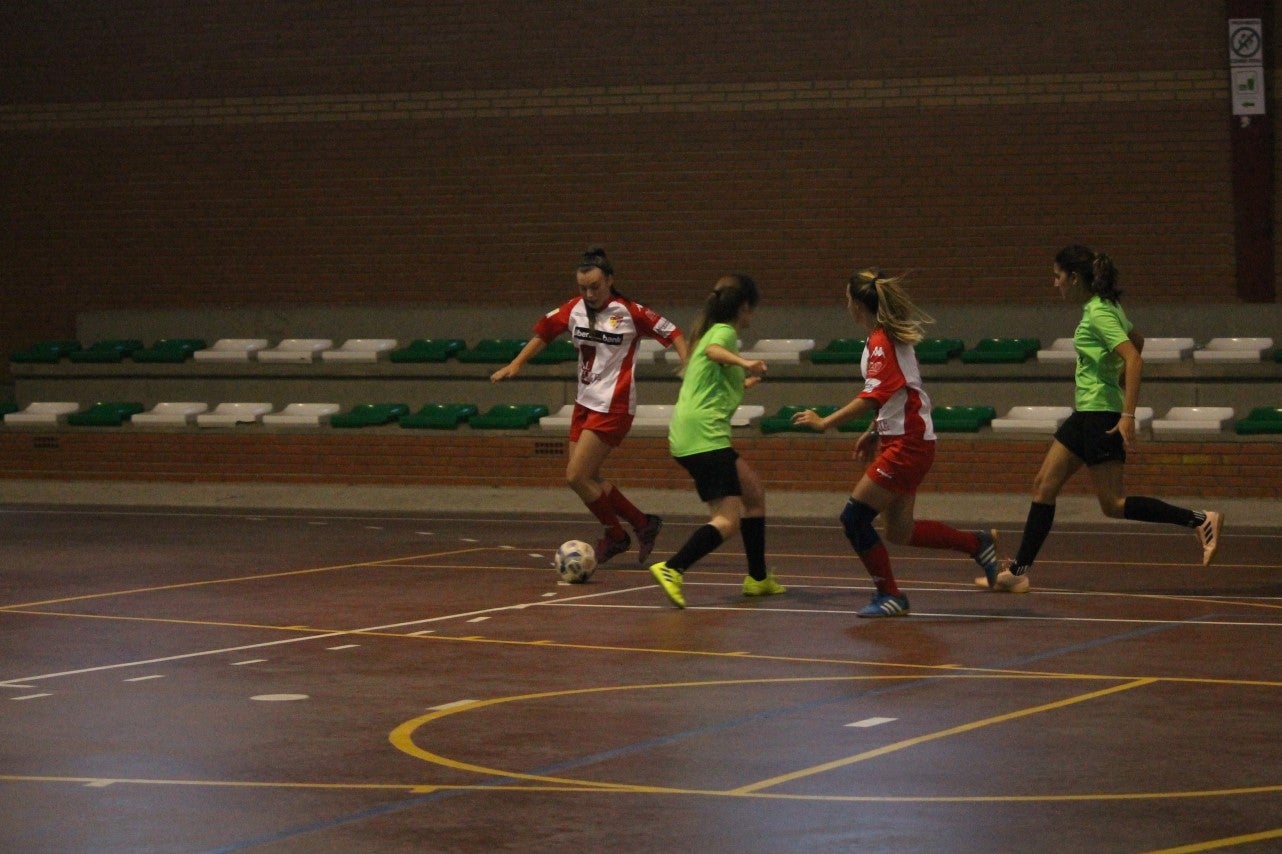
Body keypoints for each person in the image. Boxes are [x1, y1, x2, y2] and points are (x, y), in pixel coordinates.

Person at [983, 245, 1223, 593]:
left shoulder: (1099, 313)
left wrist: (1126, 412)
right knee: (1043, 485)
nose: (1055, 284)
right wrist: (1117, 382)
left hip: (1101, 416)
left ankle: (1201, 520)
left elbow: (1134, 357)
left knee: (1112, 504)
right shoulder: (1105, 308)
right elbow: (1138, 341)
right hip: (1085, 414)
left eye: (1057, 276)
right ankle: (1018, 571)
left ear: (1075, 278)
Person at [791, 268, 1000, 617]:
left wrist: (825, 422)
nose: (846, 306)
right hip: (905, 438)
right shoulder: (885, 337)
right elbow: (898, 391)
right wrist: (876, 429)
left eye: (847, 300)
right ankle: (977, 544)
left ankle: (890, 595)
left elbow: (874, 395)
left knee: (854, 518)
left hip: (908, 443)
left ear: (858, 305)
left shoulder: (880, 341)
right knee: (900, 531)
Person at [492, 246, 689, 565]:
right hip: (584, 403)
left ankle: (616, 535)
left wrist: (688, 368)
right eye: (583, 288)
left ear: (610, 280)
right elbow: (544, 332)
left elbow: (674, 332)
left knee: (576, 476)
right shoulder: (574, 309)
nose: (589, 293)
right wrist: (517, 363)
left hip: (614, 404)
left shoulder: (630, 312)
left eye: (595, 286)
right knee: (589, 477)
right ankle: (643, 523)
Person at [648, 274, 783, 608]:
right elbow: (714, 352)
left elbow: (711, 376)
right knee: (727, 518)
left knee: (753, 493)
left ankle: (758, 578)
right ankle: (673, 567)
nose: (752, 317)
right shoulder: (723, 332)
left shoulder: (711, 331)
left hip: (693, 433)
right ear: (744, 307)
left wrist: (744, 381)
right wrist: (744, 361)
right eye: (752, 310)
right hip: (705, 437)